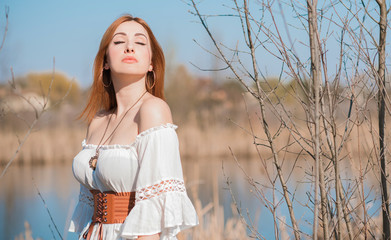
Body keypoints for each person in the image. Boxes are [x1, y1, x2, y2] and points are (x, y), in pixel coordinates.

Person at [68, 14, 199, 240]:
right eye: (119, 42)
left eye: (139, 42)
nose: (129, 47)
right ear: (106, 60)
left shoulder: (153, 111)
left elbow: (154, 216)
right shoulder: (97, 121)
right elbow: (90, 207)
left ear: (151, 63)